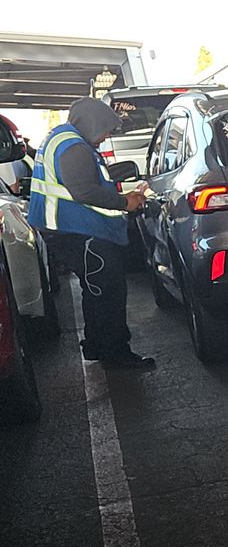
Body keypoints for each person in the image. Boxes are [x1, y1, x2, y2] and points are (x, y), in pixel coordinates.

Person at [27, 97, 154, 369]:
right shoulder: (74, 147)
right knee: (108, 290)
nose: (106, 136)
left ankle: (96, 345)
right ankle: (115, 353)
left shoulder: (62, 138)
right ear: (93, 123)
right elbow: (83, 190)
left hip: (65, 228)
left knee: (95, 287)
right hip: (77, 229)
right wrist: (125, 202)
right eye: (106, 129)